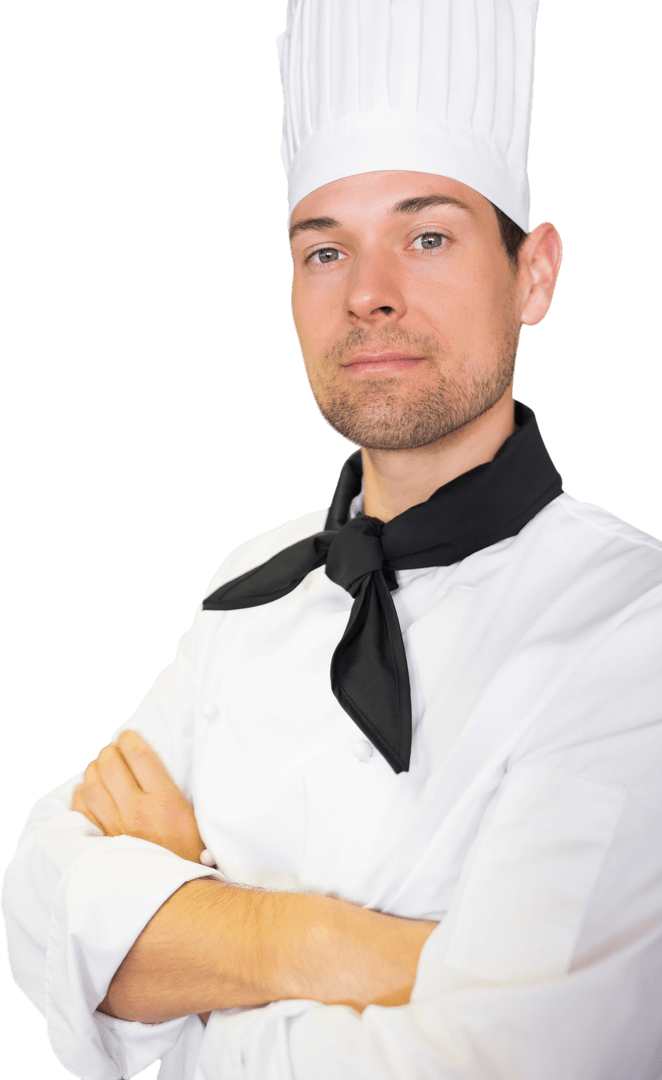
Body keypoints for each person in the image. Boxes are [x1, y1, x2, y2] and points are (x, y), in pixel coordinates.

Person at [3, 2, 662, 1078]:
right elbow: (41, 899)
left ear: (532, 274)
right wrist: (333, 944)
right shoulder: (243, 589)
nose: (368, 294)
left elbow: (518, 1056)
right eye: (323, 250)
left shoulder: (630, 629)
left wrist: (192, 918)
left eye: (428, 236)